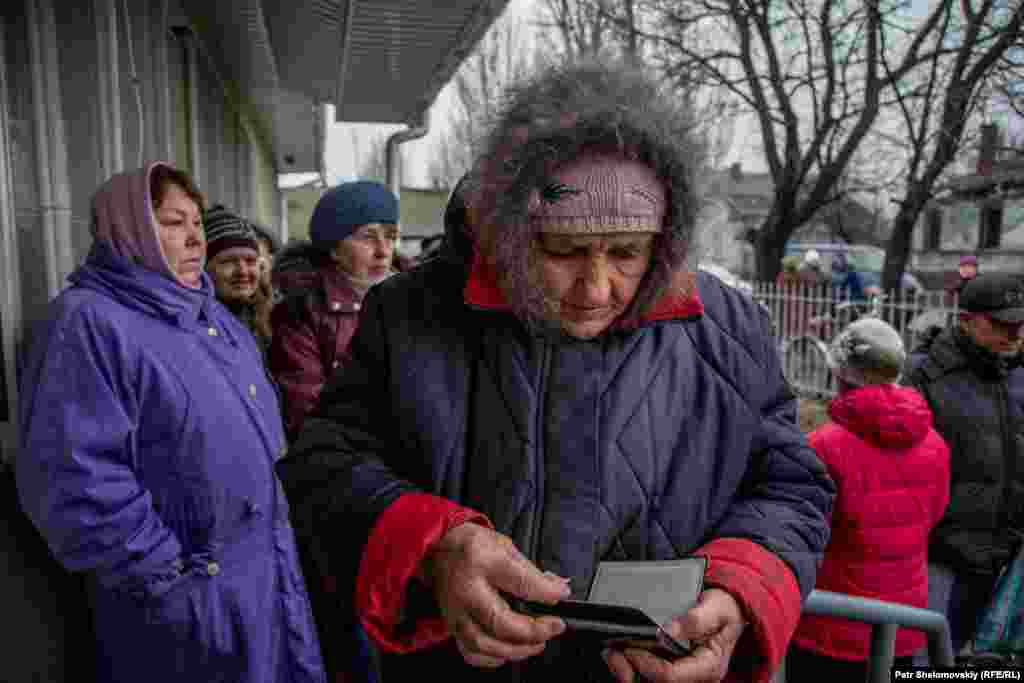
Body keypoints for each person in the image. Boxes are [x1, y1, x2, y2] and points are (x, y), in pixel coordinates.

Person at [276, 57, 834, 683]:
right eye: (564, 252)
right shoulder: (409, 313)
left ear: (666, 239)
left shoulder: (728, 328)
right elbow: (320, 469)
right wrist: (430, 545)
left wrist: (739, 588)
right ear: (512, 232)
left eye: (627, 252)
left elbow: (791, 487)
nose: (597, 289)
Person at [15, 162, 325, 683]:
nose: (193, 238)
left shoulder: (212, 315)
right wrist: (168, 582)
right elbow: (73, 478)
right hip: (185, 602)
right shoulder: (88, 322)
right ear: (127, 226)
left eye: (197, 223)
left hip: (263, 580)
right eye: (171, 222)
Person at [789, 318, 950, 681]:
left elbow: (805, 532)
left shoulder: (823, 446)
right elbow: (935, 513)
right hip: (903, 623)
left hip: (830, 623)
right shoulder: (935, 444)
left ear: (839, 374)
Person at [903, 272, 1024, 657]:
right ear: (968, 319)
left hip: (1005, 557)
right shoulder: (925, 375)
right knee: (928, 663)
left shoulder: (1017, 373)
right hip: (942, 558)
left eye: (1021, 324)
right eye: (1003, 324)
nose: (1014, 334)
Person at [268, 180, 400, 441]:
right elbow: (306, 411)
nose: (383, 252)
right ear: (334, 248)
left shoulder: (414, 299)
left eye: (391, 236)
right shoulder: (302, 312)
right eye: (367, 237)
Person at [203, 204, 273, 354]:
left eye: (250, 261)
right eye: (228, 261)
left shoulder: (269, 317)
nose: (243, 271)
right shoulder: (198, 325)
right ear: (203, 267)